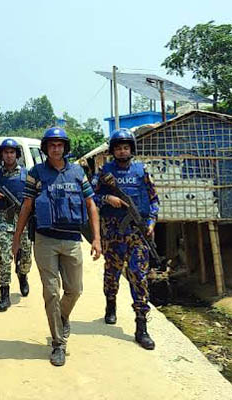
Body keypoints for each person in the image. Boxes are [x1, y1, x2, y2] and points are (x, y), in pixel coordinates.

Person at [12, 127, 101, 367]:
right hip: (45, 240)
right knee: (51, 291)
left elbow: (91, 205)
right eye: (51, 145)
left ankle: (61, 317)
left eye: (60, 144)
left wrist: (96, 238)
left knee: (75, 290)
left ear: (65, 147)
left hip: (72, 240)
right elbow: (27, 206)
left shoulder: (77, 172)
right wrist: (17, 237)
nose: (56, 148)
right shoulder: (36, 173)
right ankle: (58, 343)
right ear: (45, 148)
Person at [93, 128, 159, 350]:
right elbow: (90, 195)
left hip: (137, 233)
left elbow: (154, 200)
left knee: (139, 276)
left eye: (126, 147)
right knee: (112, 272)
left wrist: (151, 221)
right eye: (119, 148)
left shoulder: (142, 171)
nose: (122, 151)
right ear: (113, 151)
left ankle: (141, 326)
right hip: (112, 232)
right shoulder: (105, 172)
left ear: (131, 149)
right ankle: (110, 304)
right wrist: (107, 198)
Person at [0, 138, 33, 312]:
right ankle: (4, 294)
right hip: (3, 220)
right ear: (1, 155)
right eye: (5, 152)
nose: (9, 155)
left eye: (12, 152)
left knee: (26, 256)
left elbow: (36, 194)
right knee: (5, 257)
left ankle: (22, 274)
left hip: (24, 221)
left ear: (17, 155)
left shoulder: (27, 175)